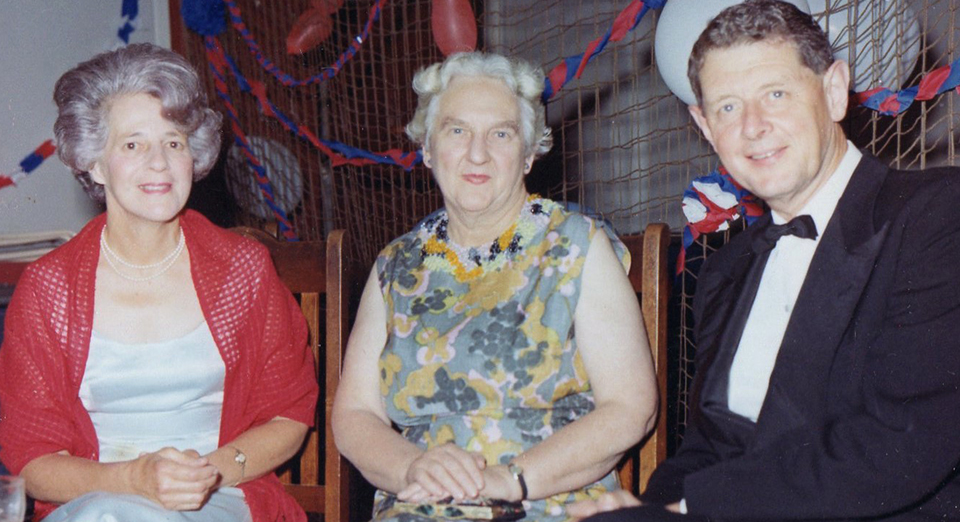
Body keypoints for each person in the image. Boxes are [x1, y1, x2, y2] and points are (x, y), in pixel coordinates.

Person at [569, 1, 960, 520]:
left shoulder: (937, 215)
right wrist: (648, 507)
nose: (753, 126)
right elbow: (708, 449)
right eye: (728, 107)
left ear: (834, 91)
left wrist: (689, 509)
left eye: (776, 94)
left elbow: (902, 445)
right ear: (704, 126)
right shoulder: (725, 271)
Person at [331, 52, 659, 521]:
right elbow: (354, 416)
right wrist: (414, 466)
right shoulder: (396, 264)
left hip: (548, 501)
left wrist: (511, 479)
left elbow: (631, 407)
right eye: (457, 130)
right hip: (422, 503)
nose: (477, 153)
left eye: (501, 134)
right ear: (426, 147)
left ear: (528, 155)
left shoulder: (574, 245)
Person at [0, 43, 319, 522]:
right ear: (93, 162)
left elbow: (288, 414)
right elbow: (32, 460)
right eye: (133, 144)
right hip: (95, 503)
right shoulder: (50, 290)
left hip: (219, 498)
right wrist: (133, 480)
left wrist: (202, 474)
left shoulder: (241, 271)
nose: (158, 163)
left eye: (174, 142)